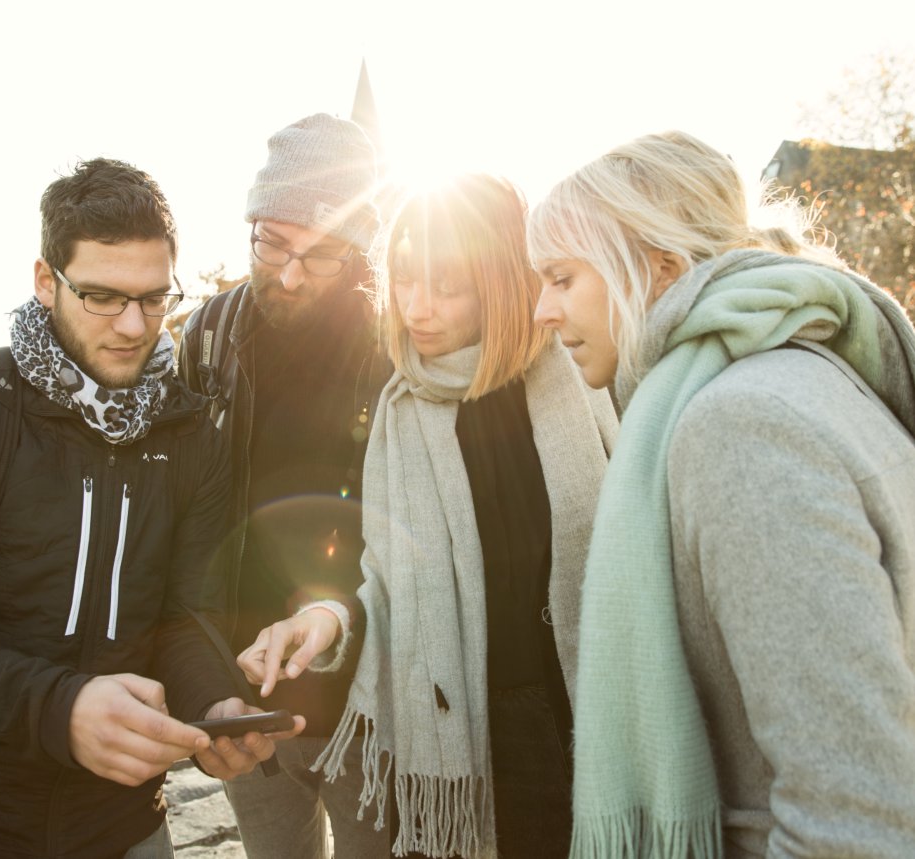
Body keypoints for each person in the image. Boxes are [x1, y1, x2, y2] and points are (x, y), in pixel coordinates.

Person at [0, 158, 302, 859]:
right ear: (47, 281)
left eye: (155, 298)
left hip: (122, 825)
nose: (134, 325)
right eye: (103, 296)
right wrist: (60, 708)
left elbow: (182, 618)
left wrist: (215, 703)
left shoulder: (193, 434)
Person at [526, 130, 915, 858]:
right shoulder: (806, 372)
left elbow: (855, 816)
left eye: (561, 277)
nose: (543, 311)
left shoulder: (739, 425)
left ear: (660, 268)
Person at [239, 173, 619, 858]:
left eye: (446, 285)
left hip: (601, 705)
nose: (417, 307)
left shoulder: (584, 373)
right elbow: (388, 581)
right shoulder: (401, 408)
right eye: (405, 279)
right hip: (470, 731)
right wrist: (327, 617)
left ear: (502, 280)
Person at [176, 114, 392, 858]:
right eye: (272, 242)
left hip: (368, 697)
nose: (291, 273)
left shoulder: (394, 346)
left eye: (321, 254)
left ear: (358, 253)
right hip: (245, 692)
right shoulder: (206, 335)